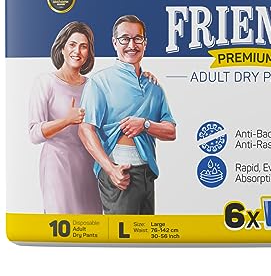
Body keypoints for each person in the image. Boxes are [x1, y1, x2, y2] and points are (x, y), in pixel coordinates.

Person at [79, 15, 176, 215]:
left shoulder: (154, 87)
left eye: (137, 38)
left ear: (145, 43)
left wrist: (145, 125)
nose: (132, 45)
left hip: (147, 173)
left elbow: (171, 131)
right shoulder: (99, 82)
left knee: (145, 232)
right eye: (125, 39)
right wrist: (111, 169)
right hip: (119, 174)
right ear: (115, 42)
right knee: (122, 234)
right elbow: (85, 129)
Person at [29, 21, 103, 214]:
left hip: (89, 168)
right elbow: (34, 134)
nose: (77, 51)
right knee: (61, 220)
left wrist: (142, 76)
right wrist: (66, 120)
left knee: (91, 223)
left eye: (83, 46)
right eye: (72, 44)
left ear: (89, 53)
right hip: (57, 167)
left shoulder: (93, 86)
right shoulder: (45, 82)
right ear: (62, 48)